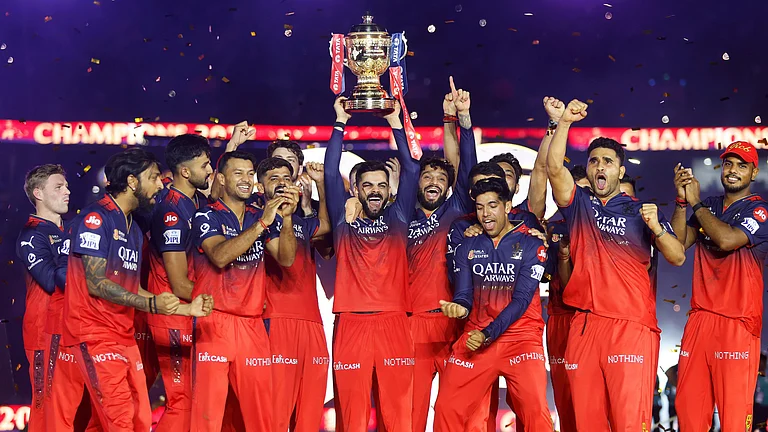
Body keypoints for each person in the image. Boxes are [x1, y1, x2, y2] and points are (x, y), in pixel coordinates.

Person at [546, 99, 685, 431]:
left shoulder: (641, 211)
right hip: (584, 327)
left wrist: (656, 228)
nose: (599, 167)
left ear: (620, 172)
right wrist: (564, 123)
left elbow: (677, 256)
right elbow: (554, 170)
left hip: (630, 328)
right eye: (593, 161)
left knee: (626, 423)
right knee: (585, 423)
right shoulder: (579, 205)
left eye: (607, 162)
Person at [61, 148, 213, 431]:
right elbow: (96, 284)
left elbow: (133, 287)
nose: (160, 184)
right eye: (154, 177)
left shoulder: (131, 225)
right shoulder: (97, 218)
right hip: (94, 334)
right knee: (120, 420)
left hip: (124, 335)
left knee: (138, 419)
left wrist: (185, 308)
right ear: (132, 182)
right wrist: (152, 305)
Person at [324, 96, 419, 431]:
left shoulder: (399, 216)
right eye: (367, 185)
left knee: (398, 418)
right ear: (357, 190)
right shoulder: (341, 218)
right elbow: (329, 171)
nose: (375, 190)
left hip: (394, 322)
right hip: (351, 324)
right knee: (351, 418)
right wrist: (339, 122)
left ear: (389, 192)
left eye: (381, 184)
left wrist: (396, 122)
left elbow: (412, 168)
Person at [433, 177, 553, 431]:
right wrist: (459, 308)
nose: (485, 214)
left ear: (508, 207)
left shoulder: (533, 244)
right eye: (479, 207)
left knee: (535, 412)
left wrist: (487, 334)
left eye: (492, 205)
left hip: (520, 340)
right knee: (446, 408)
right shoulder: (468, 244)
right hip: (475, 337)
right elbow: (464, 294)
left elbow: (520, 301)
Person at [191, 150, 298, 432]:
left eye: (250, 174)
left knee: (262, 417)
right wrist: (263, 224)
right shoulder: (206, 214)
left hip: (252, 326)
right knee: (208, 417)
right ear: (221, 179)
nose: (246, 180)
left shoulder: (258, 214)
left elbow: (286, 258)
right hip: (214, 323)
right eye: (238, 173)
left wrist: (285, 219)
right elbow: (219, 256)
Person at [671, 140, 768, 431]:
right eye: (728, 163)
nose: (733, 170)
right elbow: (676, 249)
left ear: (753, 173)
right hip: (700, 320)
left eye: (742, 165)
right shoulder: (709, 206)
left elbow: (727, 240)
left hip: (737, 324)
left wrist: (696, 203)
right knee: (689, 415)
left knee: (734, 420)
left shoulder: (761, 211)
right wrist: (680, 201)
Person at [407, 78, 477, 432]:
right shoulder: (401, 217)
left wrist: (463, 120)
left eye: (440, 176)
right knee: (411, 417)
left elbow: (467, 171)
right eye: (426, 175)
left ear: (448, 187)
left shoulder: (455, 211)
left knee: (453, 419)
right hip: (414, 328)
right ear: (417, 183)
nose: (433, 180)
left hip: (454, 324)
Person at [146, 134, 214, 431]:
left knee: (195, 399)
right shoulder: (172, 211)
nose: (210, 170)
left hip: (190, 314)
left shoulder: (193, 201)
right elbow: (178, 284)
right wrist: (224, 303)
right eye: (205, 165)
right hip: (173, 314)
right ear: (185, 172)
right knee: (182, 400)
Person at [259, 158, 332, 432]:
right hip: (277, 321)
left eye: (286, 177)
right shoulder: (258, 219)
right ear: (260, 185)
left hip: (312, 324)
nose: (281, 182)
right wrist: (286, 216)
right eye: (273, 177)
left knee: (310, 414)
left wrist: (322, 186)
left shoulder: (301, 221)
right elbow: (286, 261)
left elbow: (325, 226)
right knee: (277, 414)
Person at [17, 164, 70, 431]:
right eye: (58, 187)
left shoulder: (71, 230)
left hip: (74, 328)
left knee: (71, 406)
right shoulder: (31, 233)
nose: (67, 192)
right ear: (38, 193)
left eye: (67, 186)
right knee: (46, 406)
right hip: (43, 333)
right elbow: (51, 281)